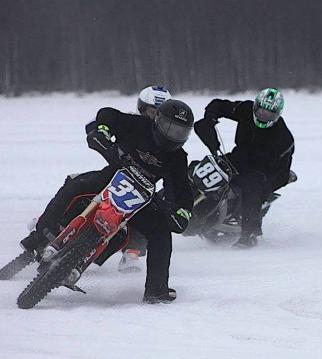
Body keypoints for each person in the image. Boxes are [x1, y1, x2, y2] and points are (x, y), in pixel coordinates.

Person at [20, 97, 194, 304]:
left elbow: (183, 190)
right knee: (75, 187)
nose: (172, 135)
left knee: (161, 234)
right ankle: (42, 232)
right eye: (169, 127)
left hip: (141, 197)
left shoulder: (178, 157)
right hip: (112, 175)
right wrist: (102, 131)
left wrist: (183, 212)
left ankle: (156, 290)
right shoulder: (138, 125)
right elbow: (108, 114)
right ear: (157, 119)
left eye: (179, 132)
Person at [194, 87, 294, 248]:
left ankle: (250, 234)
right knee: (201, 167)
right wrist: (210, 119)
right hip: (237, 158)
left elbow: (282, 173)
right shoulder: (245, 110)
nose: (263, 116)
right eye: (261, 111)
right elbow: (218, 105)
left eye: (269, 114)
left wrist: (265, 187)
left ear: (277, 115)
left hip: (260, 171)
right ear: (255, 107)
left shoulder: (284, 139)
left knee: (251, 190)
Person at [117, 85, 172, 273]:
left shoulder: (167, 138)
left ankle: (131, 252)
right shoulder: (129, 121)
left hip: (143, 187)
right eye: (152, 111)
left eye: (160, 113)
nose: (155, 117)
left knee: (149, 211)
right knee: (79, 184)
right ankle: (51, 228)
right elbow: (100, 121)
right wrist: (101, 132)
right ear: (142, 109)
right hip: (115, 175)